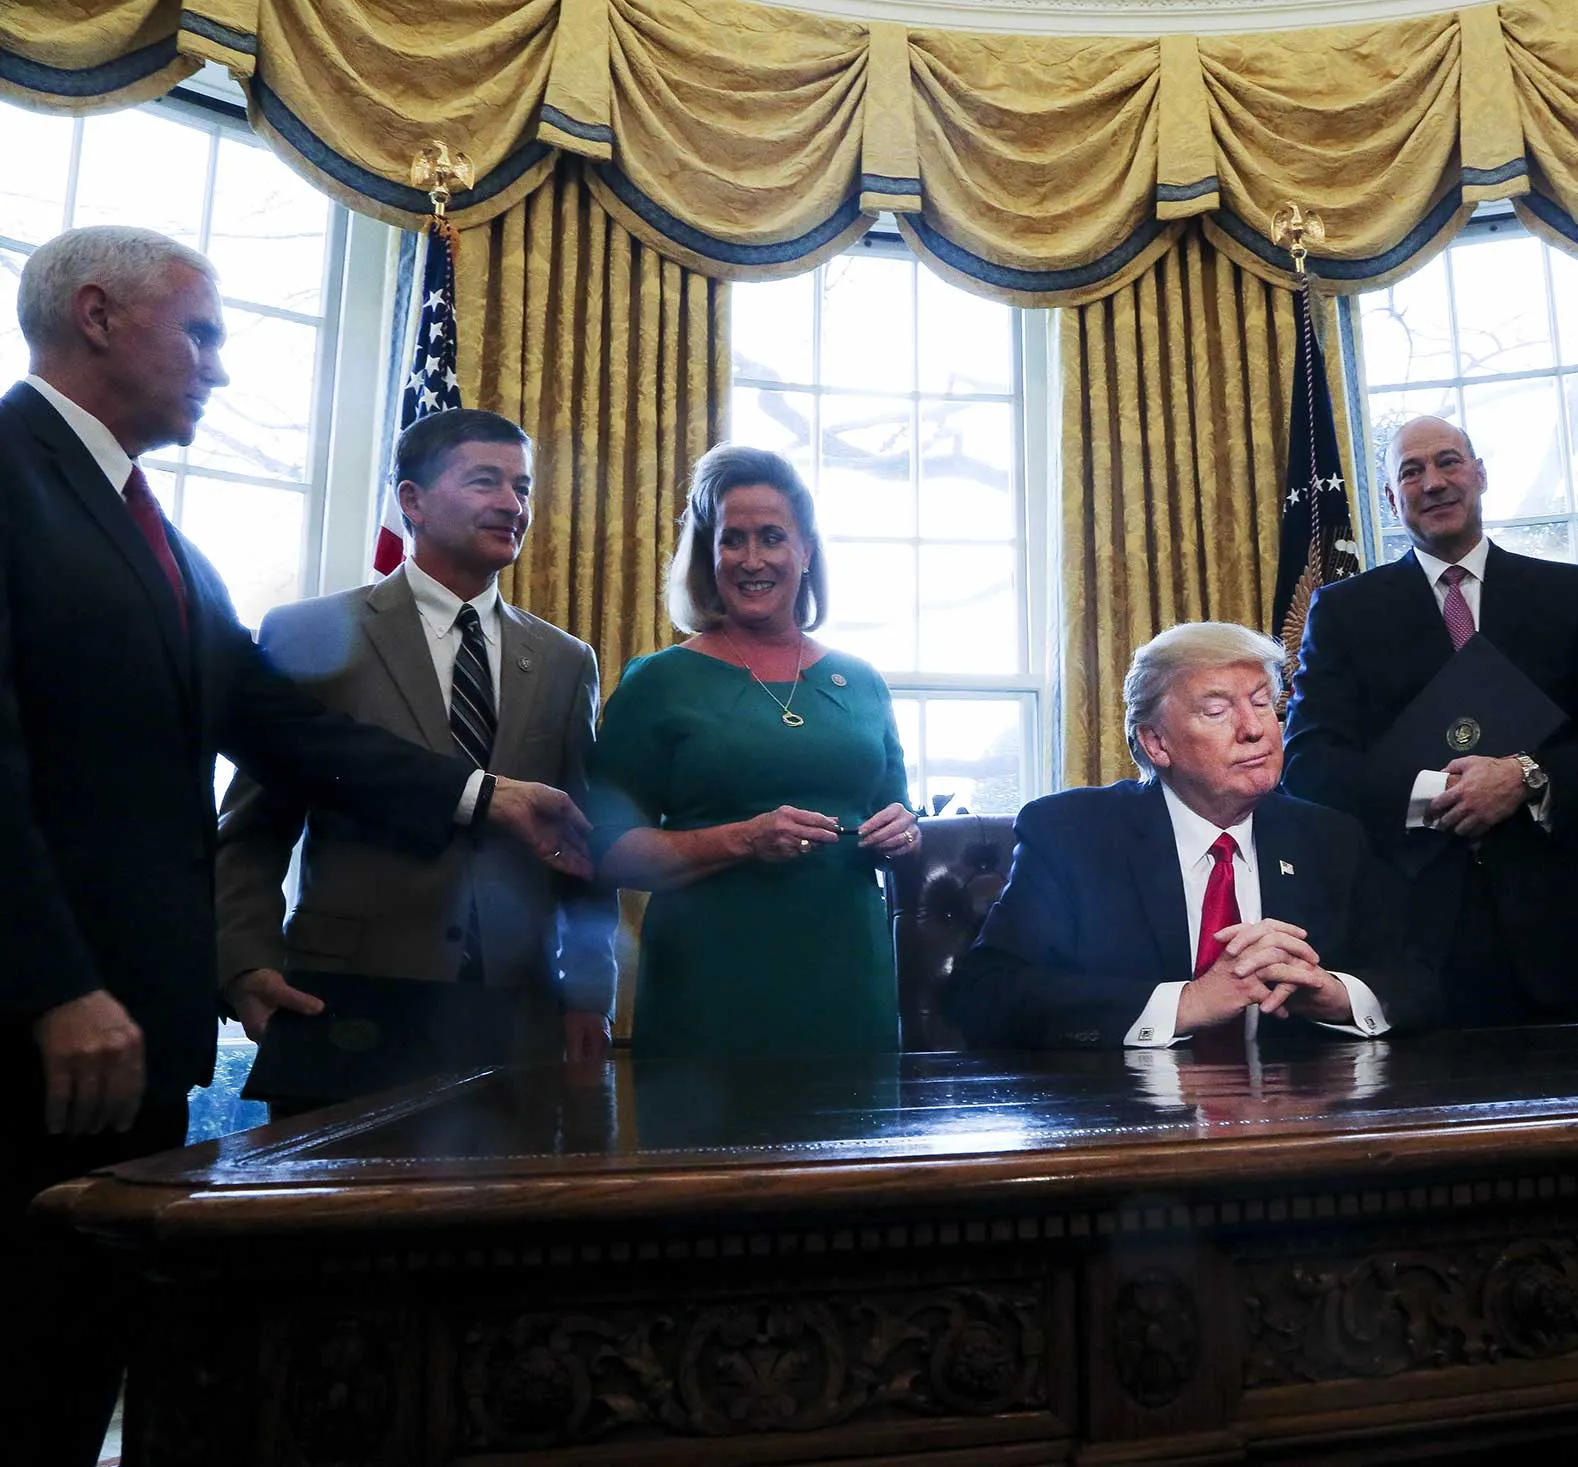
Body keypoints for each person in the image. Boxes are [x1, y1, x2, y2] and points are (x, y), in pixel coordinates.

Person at [0, 226, 588, 1466]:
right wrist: (56, 981)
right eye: (201, 333)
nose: (218, 366)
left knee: (78, 1343)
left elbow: (277, 729)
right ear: (96, 316)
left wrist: (488, 799)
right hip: (54, 1023)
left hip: (132, 1032)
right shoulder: (10, 476)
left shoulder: (158, 537)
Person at [215, 408, 618, 1084]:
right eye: (485, 481)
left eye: (522, 487)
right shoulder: (310, 632)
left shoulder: (564, 659)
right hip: (345, 1002)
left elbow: (581, 846)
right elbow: (253, 825)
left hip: (513, 1012)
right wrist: (246, 958)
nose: (511, 504)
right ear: (413, 500)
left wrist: (588, 991)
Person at [1282, 415, 1578, 1026]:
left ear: (1480, 474)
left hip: (1554, 931)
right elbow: (1311, 764)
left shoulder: (1569, 595)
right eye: (1411, 471)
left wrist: (1524, 778)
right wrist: (1439, 795)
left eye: (1449, 462)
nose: (1434, 482)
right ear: (1393, 499)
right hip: (1406, 936)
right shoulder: (1345, 613)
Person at [947, 622, 1439, 1050]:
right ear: (1156, 742)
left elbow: (1417, 981)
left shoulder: (1329, 838)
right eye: (1217, 710)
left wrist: (1336, 995)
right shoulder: (1072, 835)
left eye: (1263, 703)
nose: (1254, 729)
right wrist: (1187, 1003)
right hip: (1127, 1125)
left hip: (1295, 1123)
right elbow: (989, 994)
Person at [586, 445, 920, 1057]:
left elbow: (896, 818)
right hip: (711, 988)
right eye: (732, 540)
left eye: (772, 537)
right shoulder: (659, 683)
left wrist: (905, 832)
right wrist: (743, 838)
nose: (752, 559)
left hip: (849, 982)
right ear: (708, 558)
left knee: (856, 1150)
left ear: (806, 552)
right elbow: (607, 852)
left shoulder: (863, 681)